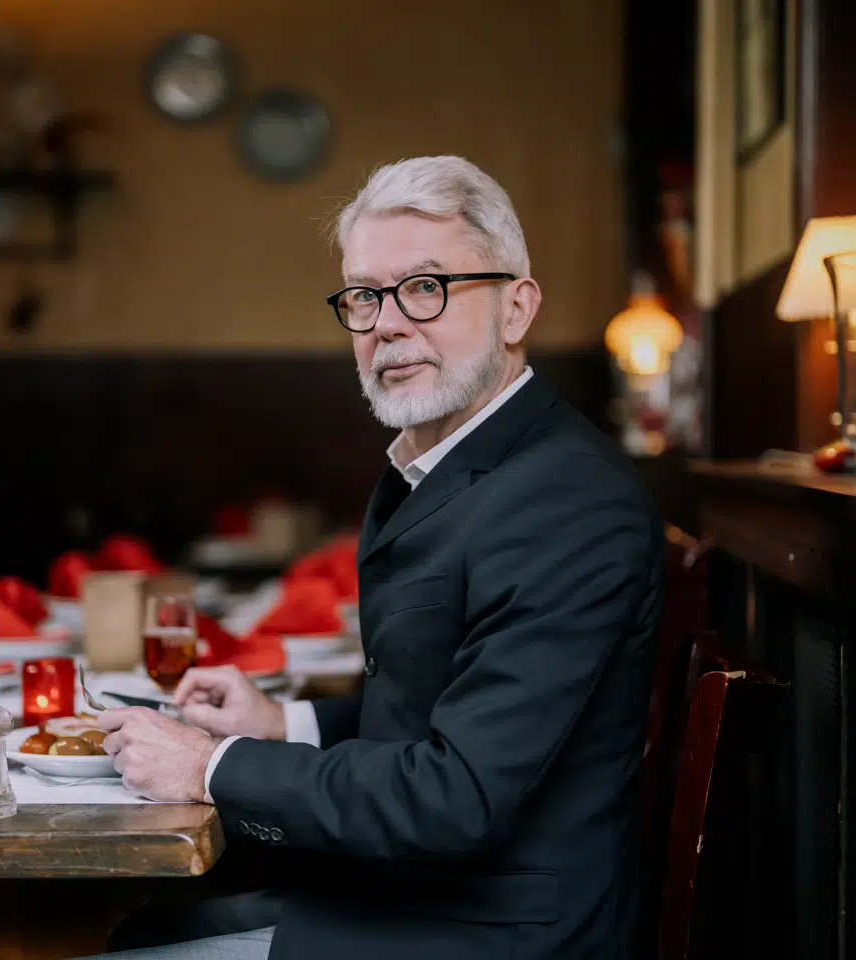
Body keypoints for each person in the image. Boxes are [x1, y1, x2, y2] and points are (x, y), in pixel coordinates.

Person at [93, 155, 665, 960]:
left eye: (426, 286)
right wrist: (280, 722)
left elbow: (457, 793)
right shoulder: (447, 468)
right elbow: (437, 709)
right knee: (137, 929)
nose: (387, 323)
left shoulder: (566, 500)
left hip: (487, 936)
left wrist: (211, 766)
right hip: (407, 901)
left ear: (516, 308)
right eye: (364, 296)